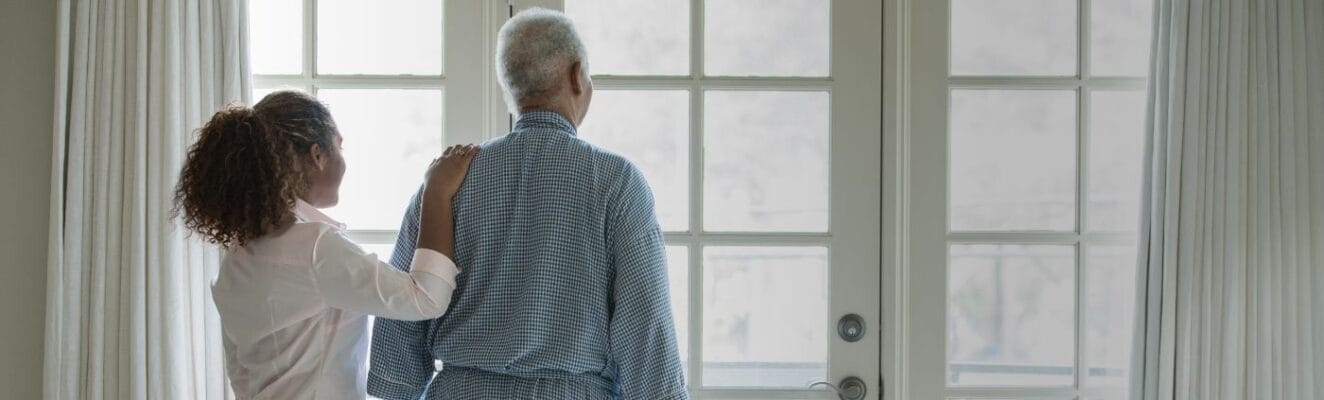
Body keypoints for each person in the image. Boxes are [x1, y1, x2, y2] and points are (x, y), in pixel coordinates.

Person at [368, 8, 686, 400]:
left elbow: (403, 309)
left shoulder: (449, 179)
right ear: (576, 74)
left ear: (510, 89)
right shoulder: (616, 181)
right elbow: (645, 325)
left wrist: (397, 386)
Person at [173, 89, 479, 400]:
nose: (343, 160)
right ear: (317, 155)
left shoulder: (236, 259)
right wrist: (436, 191)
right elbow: (425, 298)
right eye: (339, 146)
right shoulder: (313, 247)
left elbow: (240, 372)